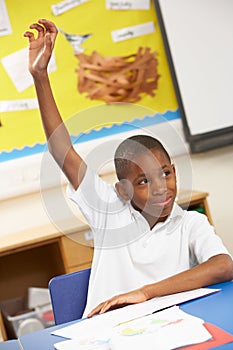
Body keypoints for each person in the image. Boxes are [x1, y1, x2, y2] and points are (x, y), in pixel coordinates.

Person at [24, 19, 233, 318]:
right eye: (144, 181)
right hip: (103, 334)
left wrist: (145, 293)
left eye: (165, 173)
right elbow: (61, 149)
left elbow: (223, 265)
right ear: (122, 189)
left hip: (165, 331)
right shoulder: (109, 211)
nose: (161, 186)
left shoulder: (190, 225)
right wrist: (40, 76)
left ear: (174, 170)